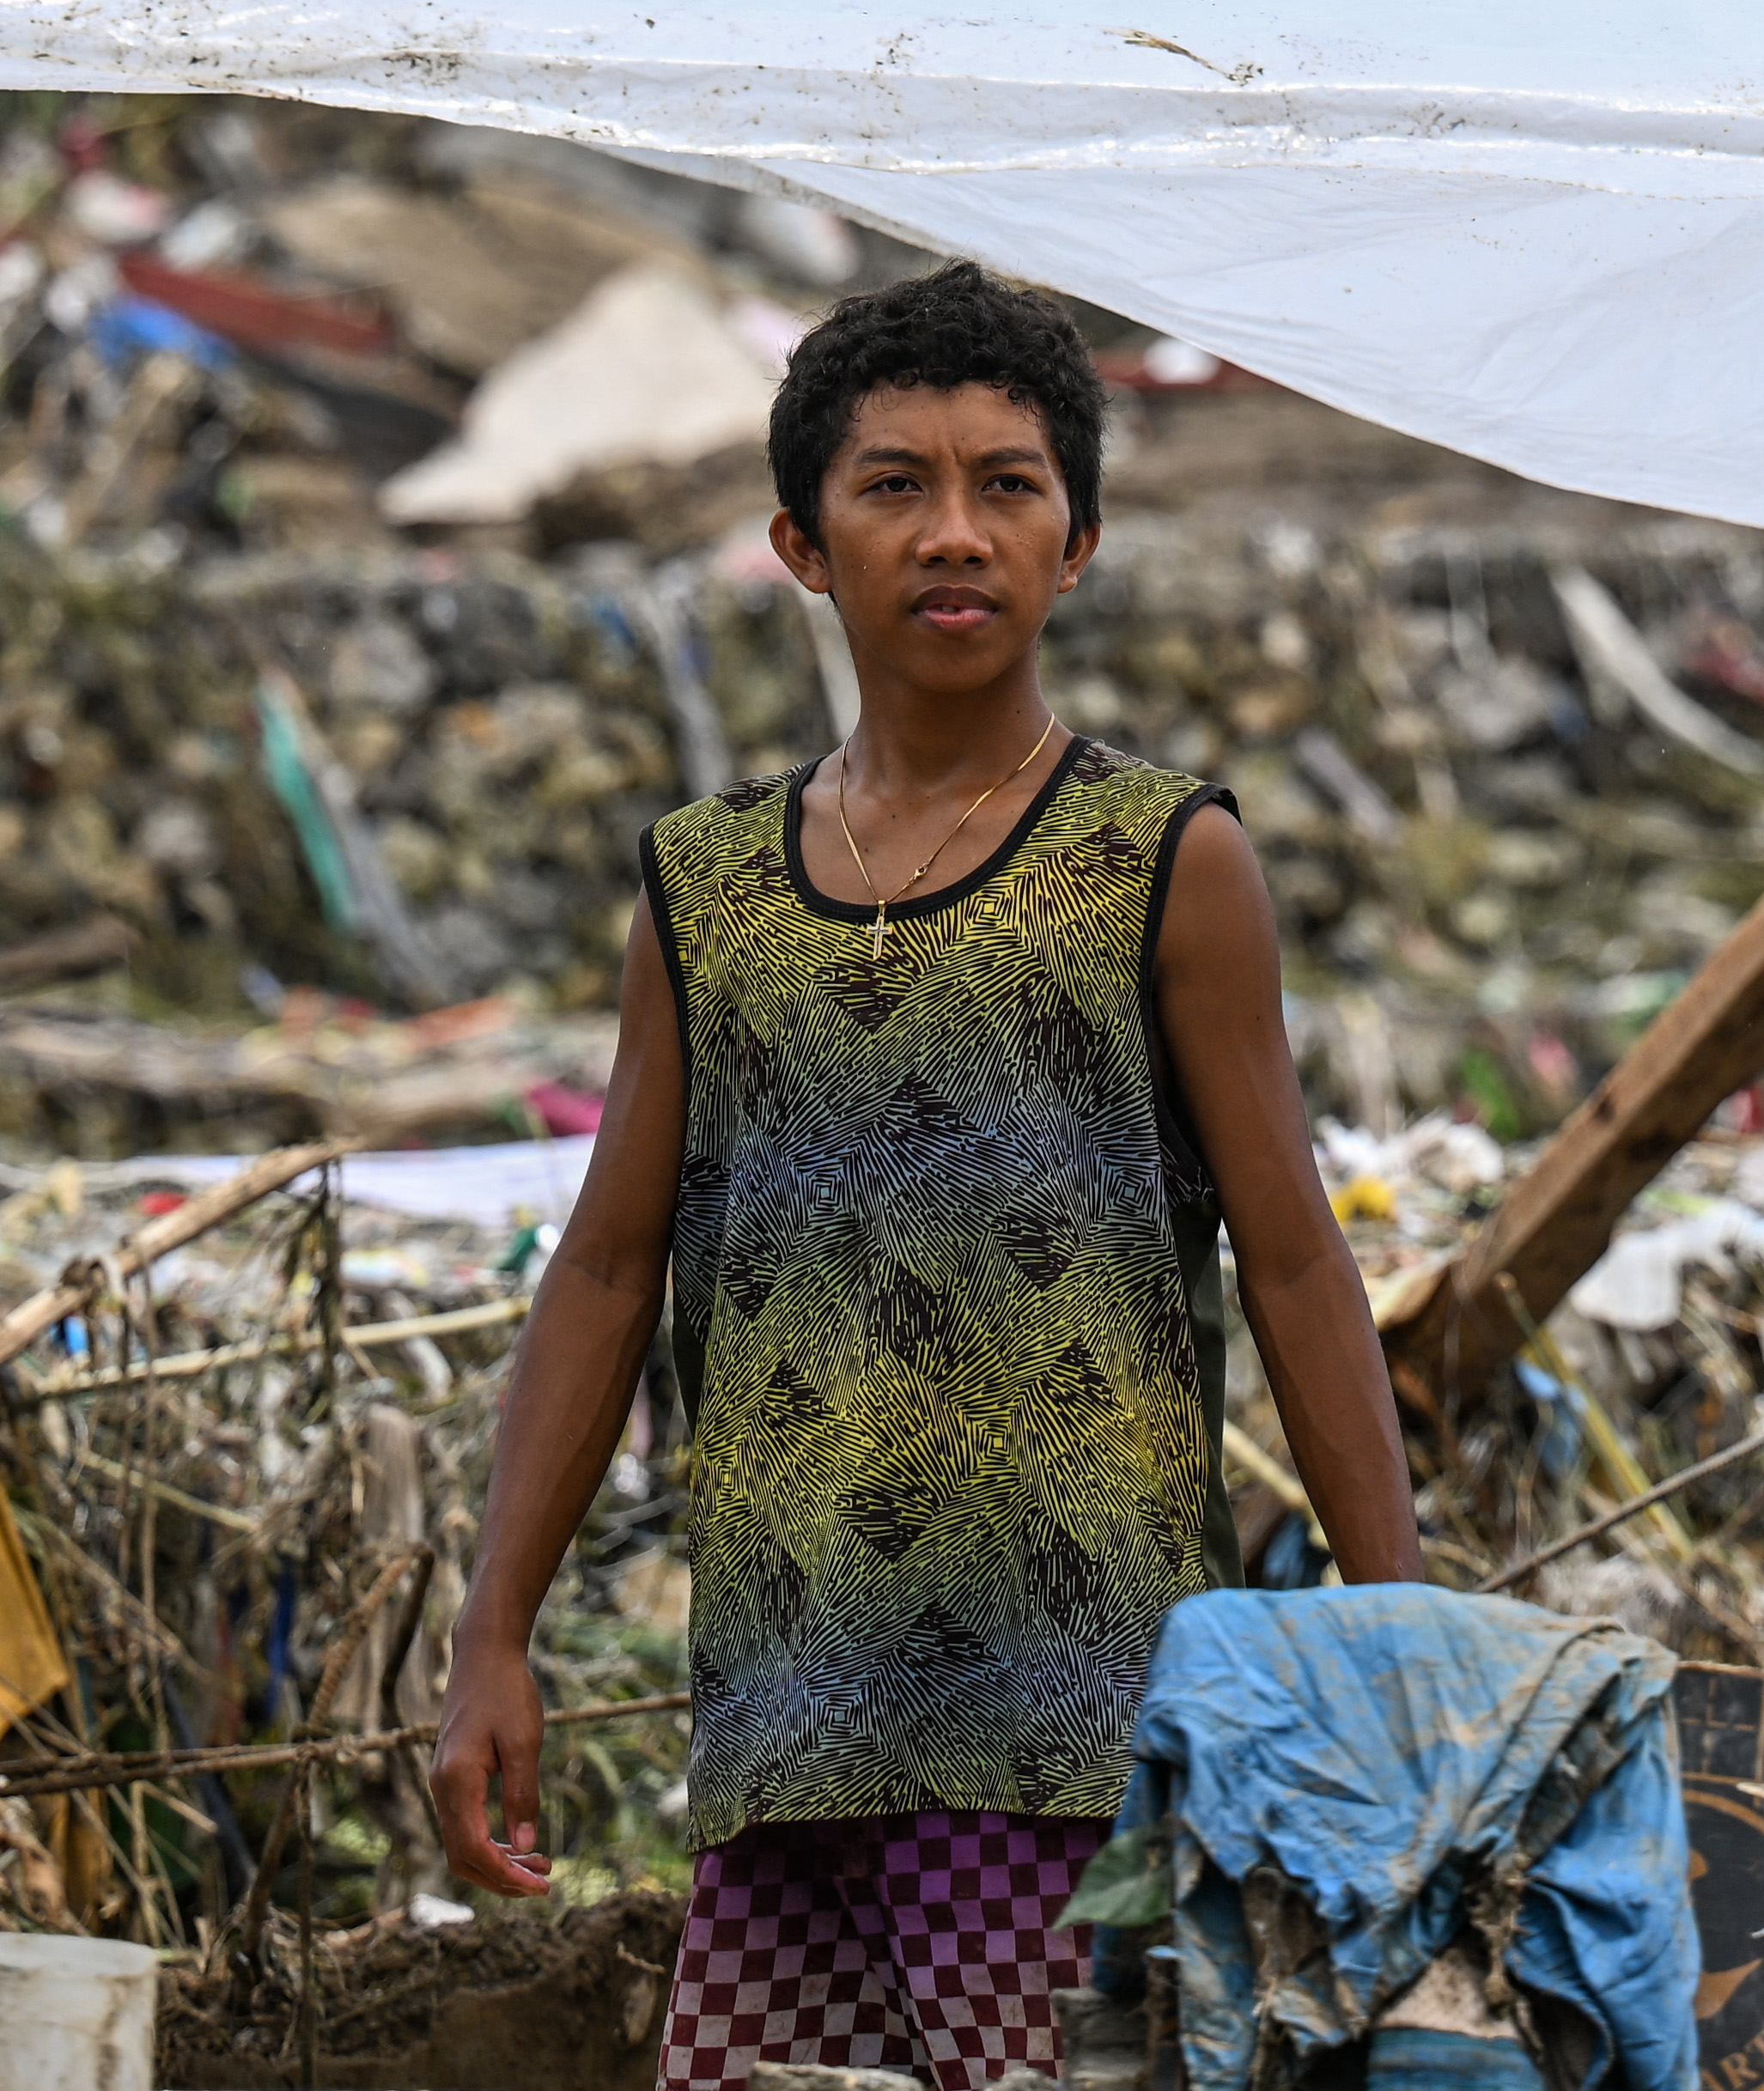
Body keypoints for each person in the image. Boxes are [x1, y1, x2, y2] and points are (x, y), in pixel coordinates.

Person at [429, 260, 1424, 2088]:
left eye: (1006, 485)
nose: (952, 532)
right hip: (786, 1726)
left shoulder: (1160, 859)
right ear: (801, 544)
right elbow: (602, 1267)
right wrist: (492, 1630)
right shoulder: (704, 889)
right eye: (895, 485)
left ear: (1079, 543)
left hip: (1072, 1738)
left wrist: (1401, 1641)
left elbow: (1292, 1259)